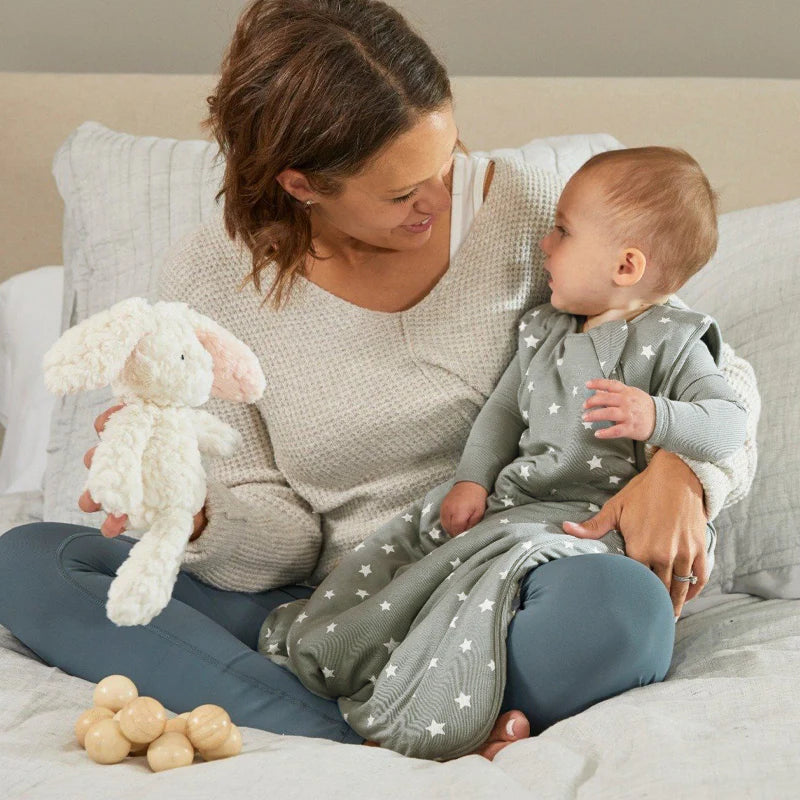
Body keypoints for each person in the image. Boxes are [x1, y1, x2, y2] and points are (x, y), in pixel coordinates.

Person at [0, 0, 758, 761]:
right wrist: (193, 512)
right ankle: (391, 729)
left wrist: (683, 471)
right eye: (402, 194)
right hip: (325, 603)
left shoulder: (534, 214)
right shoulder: (212, 280)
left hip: (498, 585)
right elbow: (283, 544)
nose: (441, 198)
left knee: (622, 612)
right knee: (30, 565)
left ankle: (355, 714)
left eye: (447, 159)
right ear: (302, 185)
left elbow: (697, 361)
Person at [442, 146, 748, 550]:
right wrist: (471, 479)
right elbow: (504, 410)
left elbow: (730, 425)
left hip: (616, 526)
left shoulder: (673, 340)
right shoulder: (543, 331)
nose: (545, 243)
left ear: (625, 267)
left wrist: (656, 416)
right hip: (523, 508)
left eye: (562, 231)